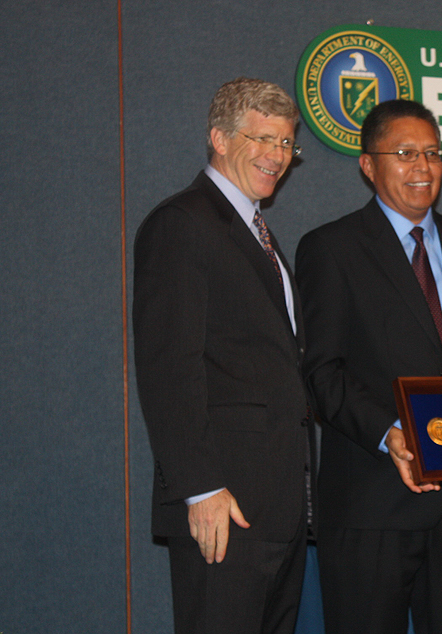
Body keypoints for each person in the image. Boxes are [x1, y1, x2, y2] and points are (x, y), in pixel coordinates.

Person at [295, 99, 442, 634]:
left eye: (433, 153)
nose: (423, 167)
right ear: (367, 165)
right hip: (371, 507)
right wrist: (391, 433)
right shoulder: (331, 249)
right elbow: (322, 372)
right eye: (404, 153)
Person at [133, 77, 312, 634]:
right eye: (260, 139)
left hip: (276, 508)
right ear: (218, 137)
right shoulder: (183, 223)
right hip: (224, 509)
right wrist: (202, 487)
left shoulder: (257, 230)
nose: (276, 156)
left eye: (285, 143)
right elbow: (170, 367)